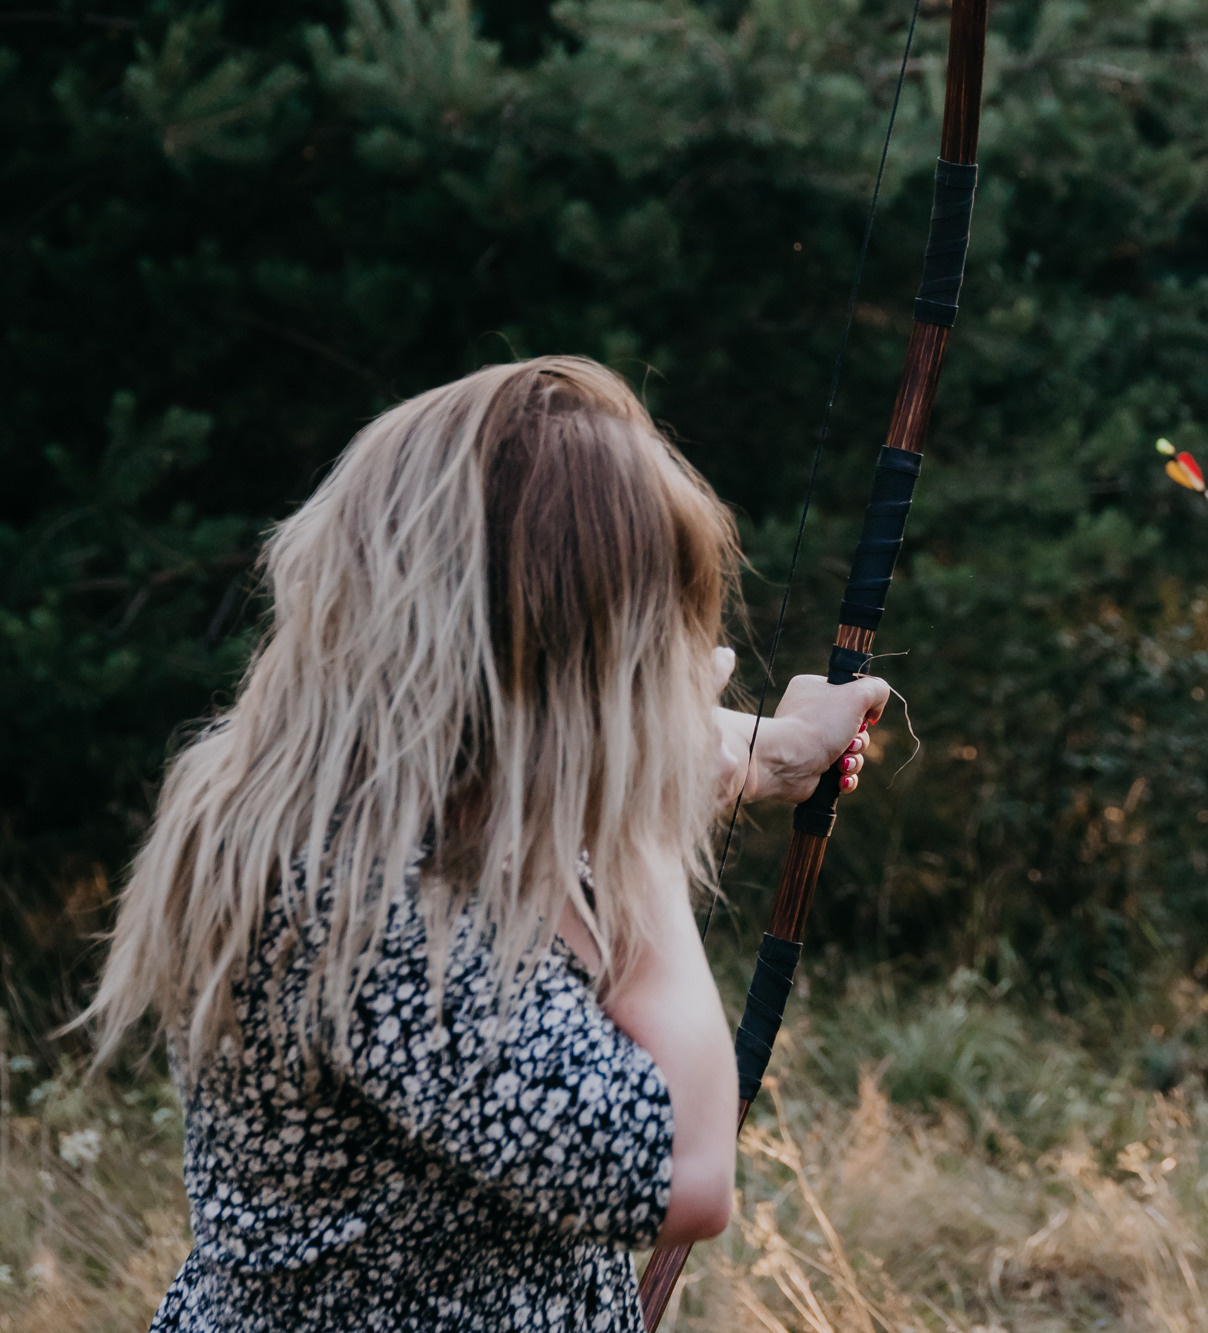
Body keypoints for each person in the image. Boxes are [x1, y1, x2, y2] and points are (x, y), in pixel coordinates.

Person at [80, 356, 890, 1331]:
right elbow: (686, 1168)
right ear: (561, 665)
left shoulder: (395, 791)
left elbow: (616, 779)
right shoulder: (370, 903)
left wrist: (781, 746)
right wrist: (643, 805)